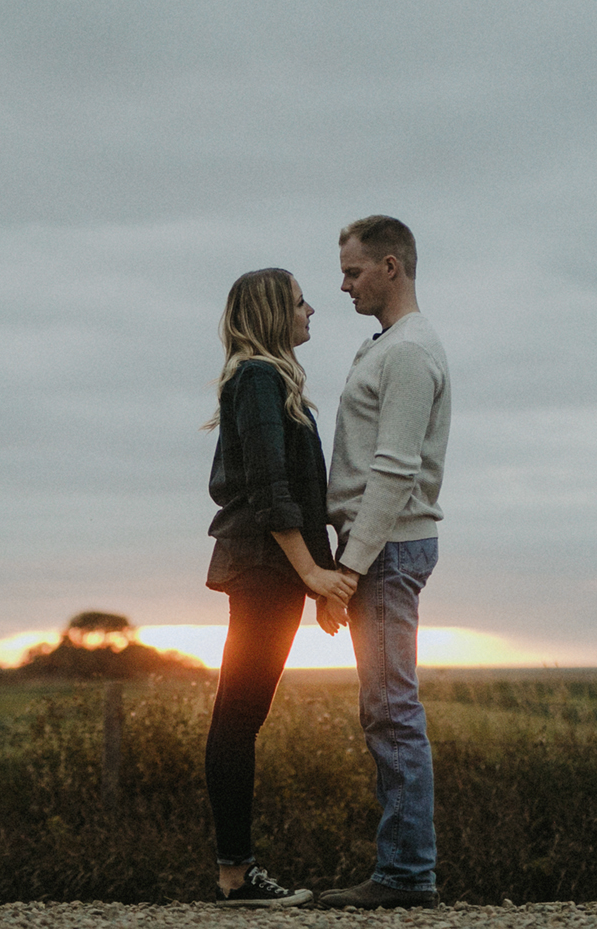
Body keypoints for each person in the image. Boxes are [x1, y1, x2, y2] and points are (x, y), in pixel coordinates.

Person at [201, 267, 357, 908]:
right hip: (263, 571)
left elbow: (301, 492)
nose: (312, 310)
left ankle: (236, 873)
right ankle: (236, 877)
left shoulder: (267, 380)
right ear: (273, 313)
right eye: (299, 302)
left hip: (270, 573)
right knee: (237, 717)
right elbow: (271, 491)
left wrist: (315, 583)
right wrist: (314, 573)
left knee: (241, 715)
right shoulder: (259, 377)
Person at [314, 216, 452, 910]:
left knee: (393, 710)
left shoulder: (408, 351)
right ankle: (402, 869)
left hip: (388, 546)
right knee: (384, 708)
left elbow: (394, 470)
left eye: (353, 270)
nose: (342, 284)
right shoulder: (388, 346)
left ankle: (405, 875)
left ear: (391, 266)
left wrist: (349, 569)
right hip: (382, 543)